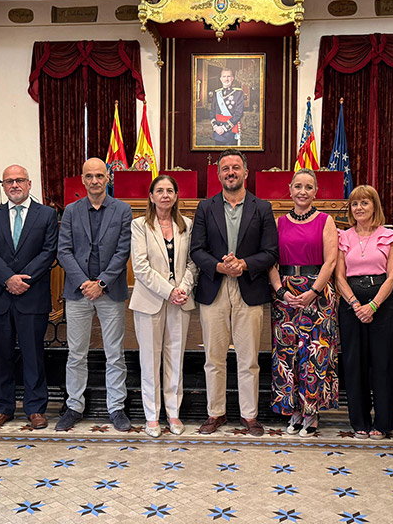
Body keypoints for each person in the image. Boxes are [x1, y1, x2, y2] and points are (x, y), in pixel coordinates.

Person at [191, 149, 279, 436]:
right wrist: (220, 266)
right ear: (218, 175)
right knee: (214, 357)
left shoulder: (262, 208)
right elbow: (197, 250)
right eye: (225, 168)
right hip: (214, 289)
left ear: (245, 172)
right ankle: (215, 413)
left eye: (236, 168)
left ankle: (249, 415)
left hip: (249, 289)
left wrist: (243, 264)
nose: (231, 172)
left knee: (248, 358)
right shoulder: (205, 207)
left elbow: (270, 252)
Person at [56, 158, 133, 432]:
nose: (95, 181)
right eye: (89, 176)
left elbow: (123, 251)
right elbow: (63, 251)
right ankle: (74, 405)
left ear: (108, 178)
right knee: (76, 353)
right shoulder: (71, 210)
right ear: (82, 179)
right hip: (78, 293)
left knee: (115, 354)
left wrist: (100, 282)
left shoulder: (123, 210)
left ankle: (116, 407)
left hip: (110, 291)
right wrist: (84, 283)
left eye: (100, 175)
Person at [0, 165, 59, 430]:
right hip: (0, 295)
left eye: (19, 180)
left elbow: (49, 252)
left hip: (32, 294)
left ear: (29, 184)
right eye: (8, 181)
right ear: (3, 185)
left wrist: (23, 278)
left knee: (33, 354)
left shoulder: (47, 214)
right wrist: (8, 279)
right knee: (0, 354)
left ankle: (35, 408)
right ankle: (1, 408)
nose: (14, 185)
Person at [267, 169, 340, 437]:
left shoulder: (325, 220)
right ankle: (294, 411)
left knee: (313, 354)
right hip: (285, 294)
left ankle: (312, 413)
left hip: (317, 295)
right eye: (298, 186)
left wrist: (314, 290)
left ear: (316, 191)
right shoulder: (278, 222)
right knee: (288, 354)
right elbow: (270, 261)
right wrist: (279, 290)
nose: (303, 191)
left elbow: (330, 261)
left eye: (308, 187)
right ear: (290, 189)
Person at [129, 175, 199, 438]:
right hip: (150, 301)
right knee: (150, 360)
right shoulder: (140, 226)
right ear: (151, 196)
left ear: (177, 195)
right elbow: (140, 267)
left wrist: (183, 289)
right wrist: (169, 291)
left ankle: (173, 412)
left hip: (180, 301)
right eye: (160, 190)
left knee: (175, 358)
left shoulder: (187, 225)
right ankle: (151, 416)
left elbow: (193, 263)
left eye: (170, 190)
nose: (165, 195)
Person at [334, 185, 393, 440]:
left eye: (365, 203)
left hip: (383, 305)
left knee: (382, 364)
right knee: (354, 363)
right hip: (351, 305)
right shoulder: (343, 237)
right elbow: (339, 276)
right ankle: (359, 421)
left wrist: (372, 306)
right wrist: (355, 305)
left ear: (375, 206)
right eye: (354, 204)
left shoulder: (389, 237)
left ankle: (383, 422)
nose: (359, 208)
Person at [210, 68, 245, 146]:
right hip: (217, 130)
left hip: (230, 131)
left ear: (232, 78)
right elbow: (212, 111)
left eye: (229, 76)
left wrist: (224, 128)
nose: (226, 79)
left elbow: (238, 114)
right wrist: (215, 126)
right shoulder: (217, 93)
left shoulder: (238, 93)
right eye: (224, 76)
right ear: (220, 79)